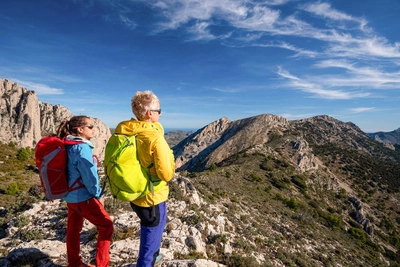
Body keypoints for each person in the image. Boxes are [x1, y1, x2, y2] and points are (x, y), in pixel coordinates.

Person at [114, 91, 175, 267]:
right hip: (153, 195)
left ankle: (153, 257)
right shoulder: (154, 137)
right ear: (150, 114)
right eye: (158, 110)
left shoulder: (126, 131)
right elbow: (166, 174)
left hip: (136, 191)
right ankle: (146, 263)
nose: (160, 113)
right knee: (152, 231)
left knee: (150, 226)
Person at [56, 115, 113, 267]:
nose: (94, 129)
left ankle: (74, 263)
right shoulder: (81, 148)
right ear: (80, 129)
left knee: (73, 230)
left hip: (70, 197)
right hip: (83, 197)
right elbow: (90, 177)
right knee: (106, 226)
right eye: (90, 126)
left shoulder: (67, 144)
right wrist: (98, 195)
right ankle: (102, 264)